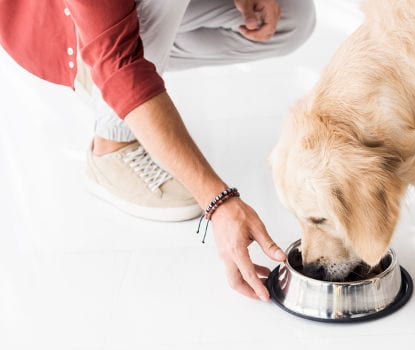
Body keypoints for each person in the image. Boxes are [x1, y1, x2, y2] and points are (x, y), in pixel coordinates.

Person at [0, 0, 315, 301]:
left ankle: (142, 58)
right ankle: (112, 141)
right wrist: (218, 201)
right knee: (123, 57)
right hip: (60, 27)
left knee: (292, 18)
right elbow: (120, 64)